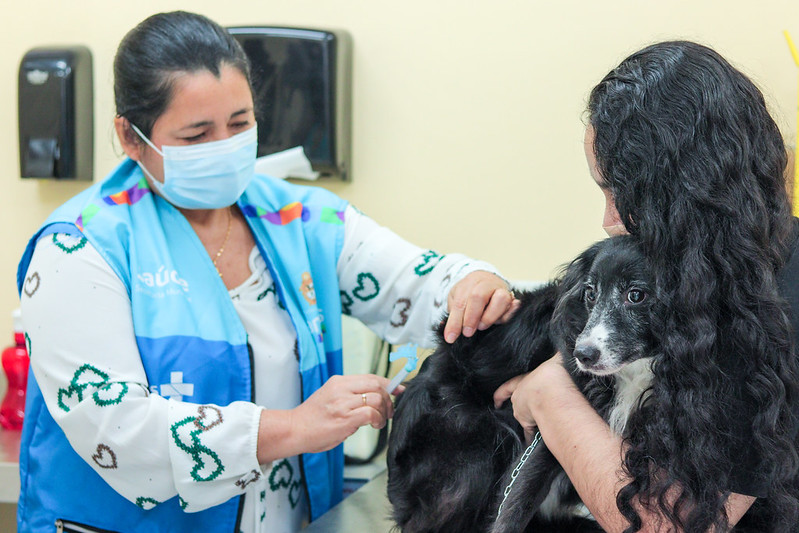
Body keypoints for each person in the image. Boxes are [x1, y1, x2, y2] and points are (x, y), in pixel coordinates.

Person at [15, 11, 519, 533]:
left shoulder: (299, 220)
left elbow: (419, 281)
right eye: (195, 135)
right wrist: (295, 428)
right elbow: (116, 430)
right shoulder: (80, 247)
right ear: (132, 136)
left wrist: (471, 283)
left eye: (239, 124)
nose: (224, 147)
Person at [495, 41, 799, 532]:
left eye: (623, 192)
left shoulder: (771, 308)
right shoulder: (722, 270)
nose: (609, 220)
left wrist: (550, 392)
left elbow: (669, 527)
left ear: (684, 188)